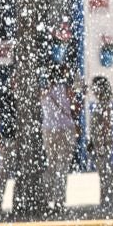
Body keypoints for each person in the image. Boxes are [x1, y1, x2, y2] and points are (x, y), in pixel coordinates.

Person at [41, 79, 77, 215]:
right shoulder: (67, 89)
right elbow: (75, 107)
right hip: (66, 129)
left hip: (49, 130)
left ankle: (46, 198)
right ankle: (59, 201)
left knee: (51, 165)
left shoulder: (44, 92)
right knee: (62, 167)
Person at [88, 76, 113, 211]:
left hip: (102, 144)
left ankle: (108, 202)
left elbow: (106, 125)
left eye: (94, 87)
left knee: (106, 173)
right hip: (100, 143)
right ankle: (107, 201)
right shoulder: (103, 103)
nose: (93, 89)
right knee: (105, 173)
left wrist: (101, 144)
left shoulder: (105, 104)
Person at [0, 80, 19, 216]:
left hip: (19, 140)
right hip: (8, 139)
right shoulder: (6, 97)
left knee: (17, 173)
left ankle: (17, 201)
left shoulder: (22, 97)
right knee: (3, 172)